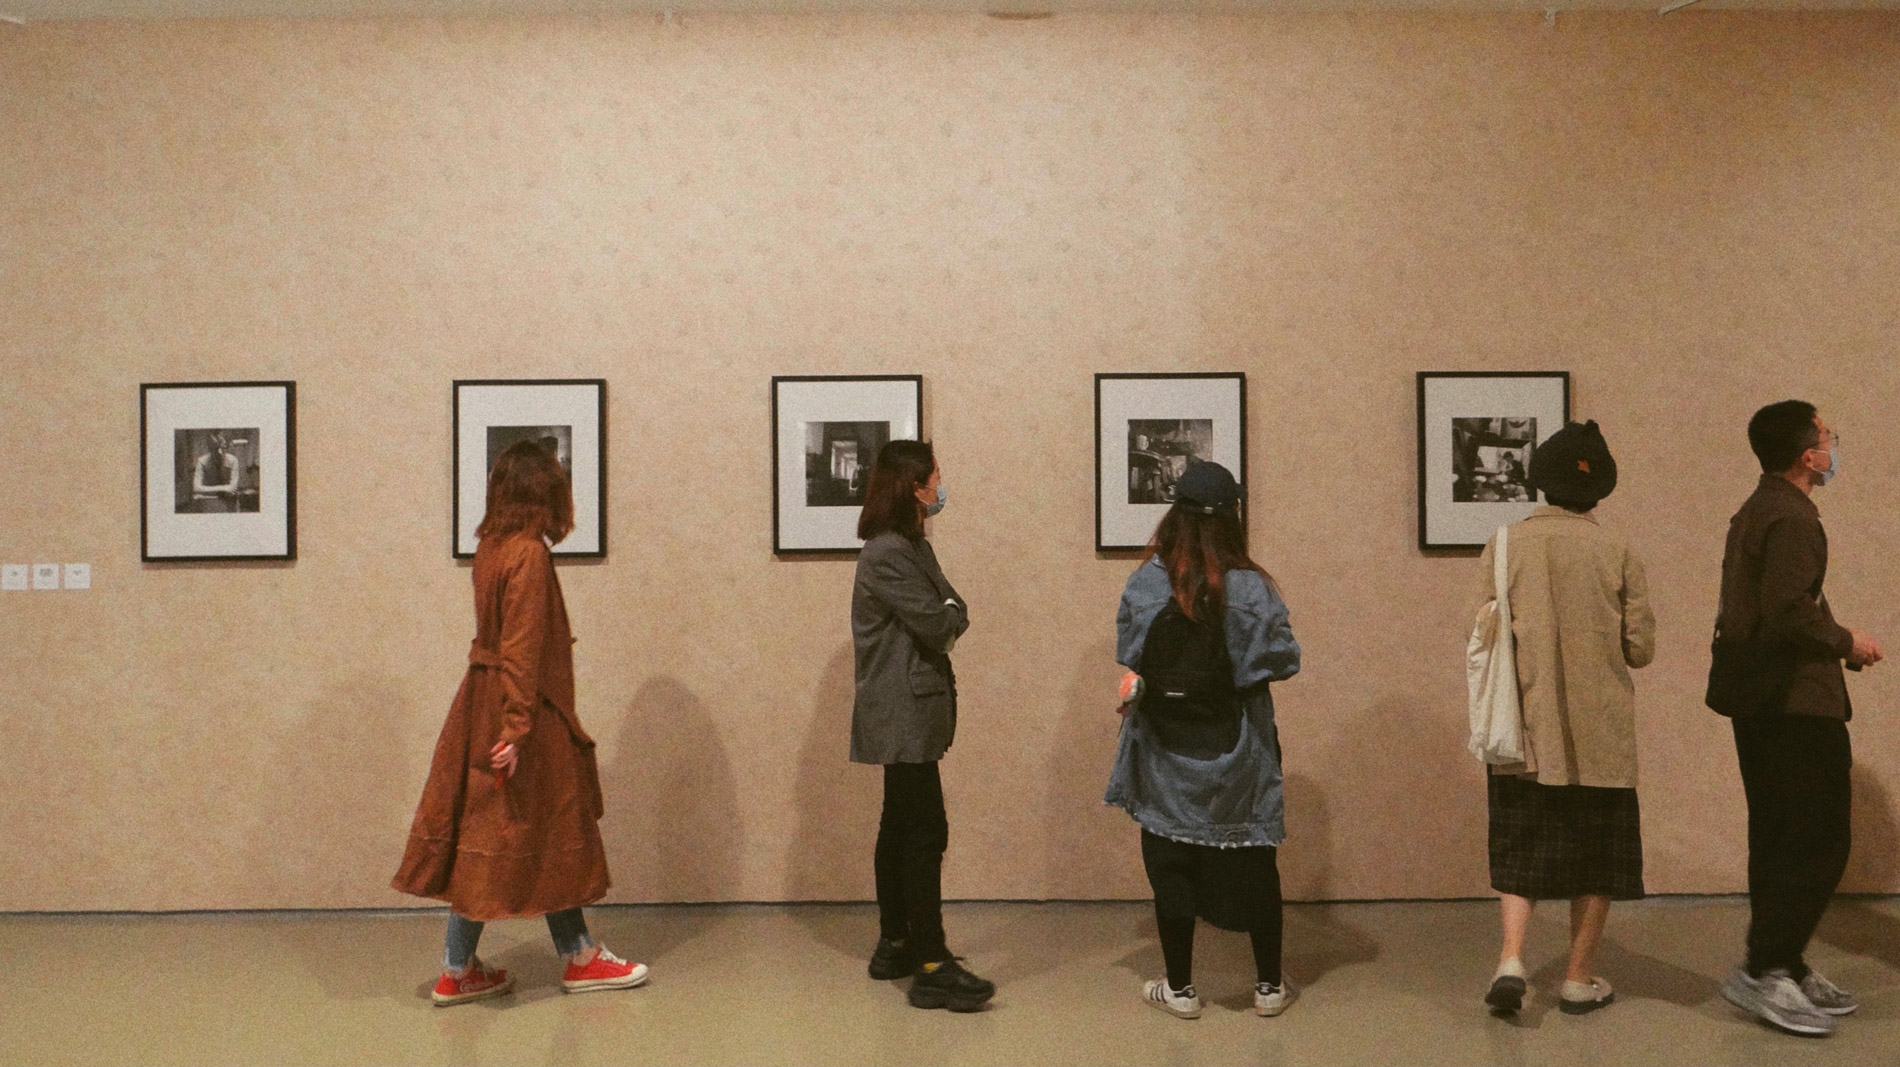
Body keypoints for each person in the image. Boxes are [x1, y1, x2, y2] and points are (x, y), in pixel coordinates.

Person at [391, 440, 647, 1006]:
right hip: (523, 707)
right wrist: (516, 728)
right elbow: (523, 647)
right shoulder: (528, 553)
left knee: (490, 830)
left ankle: (462, 967)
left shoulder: (491, 546)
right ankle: (577, 959)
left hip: (483, 701)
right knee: (549, 826)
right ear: (544, 491)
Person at [1105, 460, 1301, 1020]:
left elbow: (1129, 651)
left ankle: (1180, 990)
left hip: (1163, 750)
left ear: (1176, 514)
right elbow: (1284, 660)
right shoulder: (1253, 587)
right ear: (1233, 516)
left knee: (1170, 861)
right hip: (1239, 748)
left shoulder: (1146, 582)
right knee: (1255, 863)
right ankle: (1268, 987)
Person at [1709, 401, 1881, 1036]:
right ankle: (1766, 970)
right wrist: (1846, 641)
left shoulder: (1759, 508)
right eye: (1828, 436)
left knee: (1779, 835)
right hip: (1794, 704)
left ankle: (1782, 960)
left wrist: (1832, 642)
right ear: (1808, 456)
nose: (1834, 445)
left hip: (1762, 699)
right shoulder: (1792, 517)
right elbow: (1786, 609)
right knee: (1817, 838)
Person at [1473, 421, 1656, 1017]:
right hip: (1601, 735)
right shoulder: (1618, 551)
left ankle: (1511, 959)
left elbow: (1485, 627)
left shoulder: (1503, 544)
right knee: (1598, 857)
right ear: (1600, 488)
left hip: (1525, 731)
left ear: (1540, 481)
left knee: (1520, 849)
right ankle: (1578, 979)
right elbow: (1640, 650)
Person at [850, 439, 994, 1013]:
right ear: (914, 488)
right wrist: (950, 613)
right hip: (901, 712)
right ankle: (931, 963)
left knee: (900, 825)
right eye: (935, 478)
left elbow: (952, 609)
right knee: (924, 832)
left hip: (909, 709)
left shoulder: (910, 546)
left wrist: (950, 611)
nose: (940, 488)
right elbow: (941, 621)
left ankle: (897, 943)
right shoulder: (888, 552)